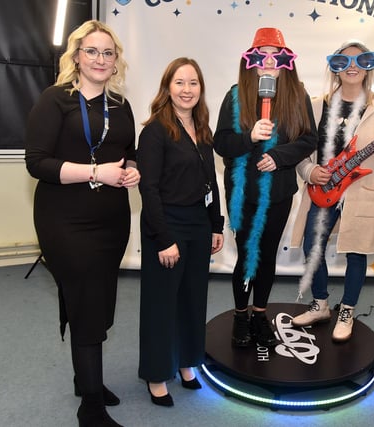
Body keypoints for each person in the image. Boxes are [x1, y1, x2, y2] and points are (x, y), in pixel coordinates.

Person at [25, 20, 140, 427]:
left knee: (100, 300)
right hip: (65, 220)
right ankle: (90, 405)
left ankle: (84, 377)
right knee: (89, 302)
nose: (100, 59)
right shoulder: (55, 100)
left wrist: (132, 171)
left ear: (116, 61)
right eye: (91, 51)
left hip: (111, 220)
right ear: (76, 57)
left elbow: (129, 151)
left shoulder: (120, 106)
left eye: (108, 53)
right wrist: (95, 173)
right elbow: (37, 163)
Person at [289, 40, 374, 342]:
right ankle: (320, 304)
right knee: (312, 247)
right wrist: (309, 171)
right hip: (322, 189)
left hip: (361, 191)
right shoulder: (317, 105)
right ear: (335, 67)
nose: (352, 67)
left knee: (356, 252)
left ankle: (347, 310)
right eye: (344, 61)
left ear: (369, 66)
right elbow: (302, 152)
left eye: (360, 61)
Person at [213, 27, 318, 348]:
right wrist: (249, 138)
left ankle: (260, 315)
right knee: (247, 257)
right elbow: (221, 143)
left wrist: (278, 156)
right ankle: (240, 316)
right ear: (250, 62)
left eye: (277, 56)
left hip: (278, 194)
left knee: (267, 256)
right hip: (243, 194)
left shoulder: (298, 96)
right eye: (261, 56)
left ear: (287, 62)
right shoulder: (235, 96)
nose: (269, 62)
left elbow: (309, 138)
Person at [137, 58, 224, 407]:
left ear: (200, 89)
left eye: (193, 83)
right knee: (161, 305)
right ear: (167, 88)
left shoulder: (202, 128)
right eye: (179, 83)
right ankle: (157, 374)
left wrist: (216, 225)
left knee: (192, 300)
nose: (187, 90)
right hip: (166, 225)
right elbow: (149, 189)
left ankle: (188, 363)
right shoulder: (156, 130)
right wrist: (163, 239)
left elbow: (211, 181)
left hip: (199, 226)